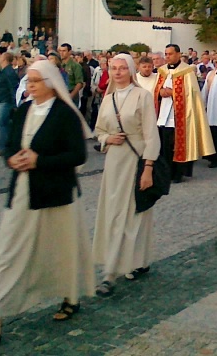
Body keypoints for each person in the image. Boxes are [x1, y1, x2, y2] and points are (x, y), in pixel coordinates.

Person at [0, 60, 94, 344]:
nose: (30, 85)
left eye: (36, 80)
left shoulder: (65, 115)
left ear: (50, 83)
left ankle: (70, 295)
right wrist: (12, 157)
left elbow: (77, 156)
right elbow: (11, 143)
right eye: (29, 80)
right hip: (23, 192)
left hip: (56, 194)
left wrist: (41, 161)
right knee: (9, 252)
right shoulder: (23, 110)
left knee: (62, 249)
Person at [93, 54, 161, 295]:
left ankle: (114, 271)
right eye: (113, 68)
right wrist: (106, 139)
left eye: (122, 68)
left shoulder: (142, 96)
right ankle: (117, 263)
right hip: (114, 163)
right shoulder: (108, 98)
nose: (118, 72)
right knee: (113, 214)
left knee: (134, 214)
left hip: (137, 161)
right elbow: (99, 130)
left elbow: (151, 134)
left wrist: (149, 166)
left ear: (130, 71)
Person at [153, 44, 214, 183]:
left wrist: (173, 92)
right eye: (166, 54)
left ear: (178, 54)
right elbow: (156, 90)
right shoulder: (161, 71)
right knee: (163, 147)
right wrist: (160, 92)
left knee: (176, 145)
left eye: (170, 54)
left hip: (179, 117)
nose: (167, 56)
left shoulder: (187, 71)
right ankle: (164, 173)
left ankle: (177, 174)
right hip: (163, 115)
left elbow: (191, 93)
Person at [0, 52, 20, 156]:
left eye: (1, 56)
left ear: (5, 59)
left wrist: (15, 104)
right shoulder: (3, 71)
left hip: (5, 101)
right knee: (2, 124)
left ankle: (2, 147)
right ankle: (4, 144)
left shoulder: (9, 72)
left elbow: (13, 88)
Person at [57, 44, 84, 109]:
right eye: (60, 51)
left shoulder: (75, 65)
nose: (61, 53)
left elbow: (79, 83)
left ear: (69, 52)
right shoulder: (59, 65)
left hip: (71, 93)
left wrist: (71, 95)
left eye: (64, 51)